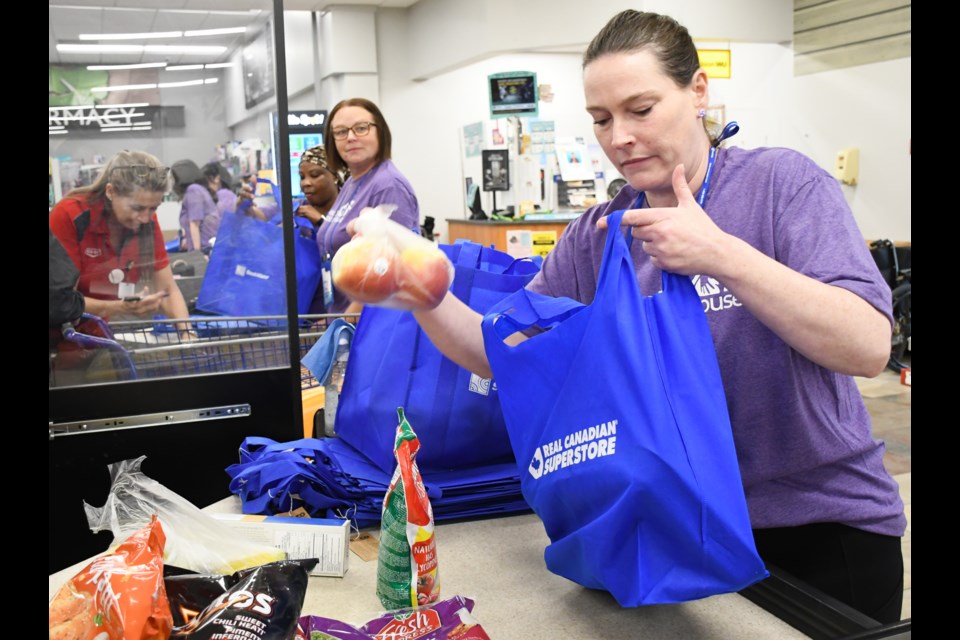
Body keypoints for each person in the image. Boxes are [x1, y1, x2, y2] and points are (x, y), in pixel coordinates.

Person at [407, 10, 906, 624]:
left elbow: (866, 346)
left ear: (697, 91)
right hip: (670, 532)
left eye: (640, 110)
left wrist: (721, 255)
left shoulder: (781, 185)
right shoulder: (599, 233)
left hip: (813, 530)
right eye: (600, 119)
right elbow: (502, 350)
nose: (619, 136)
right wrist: (422, 294)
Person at [49, 150, 191, 326]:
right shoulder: (70, 215)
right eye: (137, 208)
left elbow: (168, 290)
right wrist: (120, 307)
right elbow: (61, 302)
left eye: (153, 208)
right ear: (111, 191)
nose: (146, 217)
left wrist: (187, 334)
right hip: (63, 336)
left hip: (107, 330)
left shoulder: (146, 221)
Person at [316, 97, 420, 314]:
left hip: (368, 323)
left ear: (380, 132)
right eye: (341, 132)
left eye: (361, 128)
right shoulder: (354, 182)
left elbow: (394, 266)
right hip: (343, 315)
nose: (351, 137)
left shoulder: (387, 185)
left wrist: (348, 319)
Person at [171, 158, 220, 254]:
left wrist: (197, 255)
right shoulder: (199, 190)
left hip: (204, 249)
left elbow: (195, 224)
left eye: (173, 178)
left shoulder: (193, 190)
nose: (172, 182)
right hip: (207, 247)